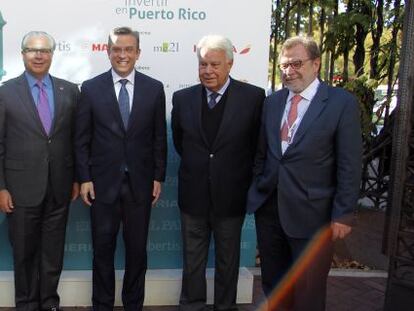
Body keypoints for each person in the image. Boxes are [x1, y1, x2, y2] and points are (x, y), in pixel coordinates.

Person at [247, 36, 362, 311]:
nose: (289, 71)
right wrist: (257, 188)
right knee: (274, 286)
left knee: (309, 290)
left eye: (296, 63)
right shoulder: (273, 102)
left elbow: (350, 162)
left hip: (314, 214)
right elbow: (262, 153)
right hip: (270, 210)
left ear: (316, 64)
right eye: (284, 65)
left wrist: (343, 213)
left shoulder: (340, 103)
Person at [74, 26, 167, 310]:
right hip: (102, 184)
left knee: (137, 251)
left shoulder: (154, 88)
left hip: (140, 184)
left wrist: (158, 176)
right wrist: (85, 178)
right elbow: (81, 139)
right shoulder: (90, 88)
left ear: (138, 52)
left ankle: (133, 304)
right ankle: (102, 304)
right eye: (116, 49)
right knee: (102, 250)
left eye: (128, 49)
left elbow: (158, 138)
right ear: (108, 52)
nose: (122, 55)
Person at [171, 34, 265, 311]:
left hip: (232, 195)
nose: (208, 71)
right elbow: (181, 142)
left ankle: (225, 307)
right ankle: (192, 305)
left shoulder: (254, 98)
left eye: (214, 64)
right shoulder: (183, 98)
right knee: (193, 259)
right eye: (203, 64)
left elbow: (257, 147)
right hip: (193, 194)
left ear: (230, 64)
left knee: (228, 259)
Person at [0, 31, 79, 311]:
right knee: (24, 254)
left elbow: (76, 140)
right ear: (22, 54)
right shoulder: (5, 92)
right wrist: (1, 187)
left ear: (52, 55)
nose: (38, 55)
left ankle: (49, 303)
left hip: (59, 187)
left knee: (52, 254)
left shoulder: (70, 91)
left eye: (44, 50)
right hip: (20, 190)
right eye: (32, 50)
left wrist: (77, 179)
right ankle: (26, 305)